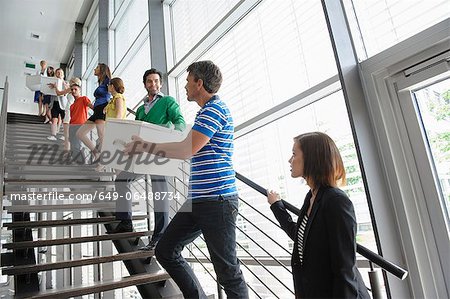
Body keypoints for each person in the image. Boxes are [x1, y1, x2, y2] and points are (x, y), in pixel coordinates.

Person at [123, 61, 248, 299]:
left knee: (228, 272)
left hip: (217, 201)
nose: (185, 85)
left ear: (199, 83)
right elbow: (184, 147)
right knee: (166, 250)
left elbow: (185, 150)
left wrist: (144, 146)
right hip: (199, 201)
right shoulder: (204, 112)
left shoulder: (214, 110)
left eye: (189, 80)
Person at [267, 132, 370, 299]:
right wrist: (277, 206)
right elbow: (301, 237)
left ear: (312, 158)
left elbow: (344, 267)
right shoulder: (312, 197)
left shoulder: (336, 201)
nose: (289, 160)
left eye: (294, 154)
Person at [108, 69, 185, 254]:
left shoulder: (168, 101)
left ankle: (158, 238)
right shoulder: (142, 109)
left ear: (161, 83)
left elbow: (180, 122)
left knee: (160, 196)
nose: (153, 84)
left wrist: (172, 139)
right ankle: (126, 222)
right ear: (145, 84)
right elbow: (135, 133)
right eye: (149, 81)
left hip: (158, 153)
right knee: (121, 180)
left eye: (156, 81)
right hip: (142, 154)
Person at [76, 63, 111, 161]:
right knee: (80, 133)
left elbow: (114, 93)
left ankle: (105, 160)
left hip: (102, 109)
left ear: (102, 70)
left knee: (101, 135)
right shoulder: (101, 82)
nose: (94, 69)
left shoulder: (108, 81)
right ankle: (96, 153)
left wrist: (108, 105)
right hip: (96, 110)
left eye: (97, 68)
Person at [68, 78, 92, 164]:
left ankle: (82, 163)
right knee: (73, 147)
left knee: (77, 146)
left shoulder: (83, 99)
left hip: (81, 125)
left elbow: (91, 106)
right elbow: (72, 118)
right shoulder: (72, 106)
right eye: (72, 90)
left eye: (75, 89)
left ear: (79, 91)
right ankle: (78, 162)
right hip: (72, 127)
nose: (74, 91)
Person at [47, 68, 69, 141]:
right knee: (54, 120)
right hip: (55, 103)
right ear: (55, 74)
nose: (59, 74)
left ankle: (65, 135)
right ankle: (53, 135)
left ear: (63, 74)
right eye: (58, 73)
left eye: (61, 73)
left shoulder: (66, 83)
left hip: (63, 104)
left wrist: (64, 84)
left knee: (64, 120)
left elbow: (66, 93)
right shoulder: (53, 82)